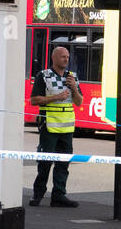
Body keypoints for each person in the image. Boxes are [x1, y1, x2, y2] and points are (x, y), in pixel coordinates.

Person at [29, 45, 83, 208]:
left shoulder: (72, 77)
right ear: (54, 58)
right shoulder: (44, 76)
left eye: (67, 57)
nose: (66, 59)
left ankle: (59, 196)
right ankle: (38, 194)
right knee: (45, 162)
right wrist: (56, 97)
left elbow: (79, 102)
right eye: (62, 57)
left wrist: (74, 87)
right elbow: (34, 100)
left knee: (63, 163)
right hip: (49, 126)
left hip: (67, 128)